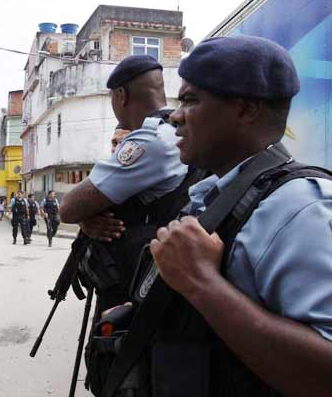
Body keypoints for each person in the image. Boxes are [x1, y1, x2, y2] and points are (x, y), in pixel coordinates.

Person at [108, 36, 332, 396]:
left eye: (191, 100)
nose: (175, 116)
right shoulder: (214, 190)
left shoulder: (300, 208)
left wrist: (202, 283)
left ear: (246, 111)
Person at [59, 55, 197, 396]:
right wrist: (93, 216)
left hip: (133, 283)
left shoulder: (148, 142)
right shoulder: (174, 131)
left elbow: (70, 207)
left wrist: (87, 213)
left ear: (121, 95)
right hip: (154, 279)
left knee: (119, 373)